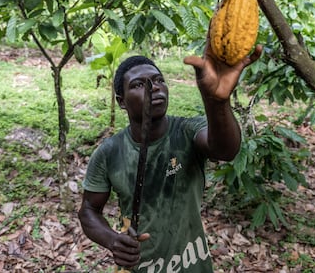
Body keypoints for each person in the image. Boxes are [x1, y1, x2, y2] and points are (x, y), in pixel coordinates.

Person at [78, 35, 262, 272]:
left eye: (158, 80)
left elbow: (225, 150)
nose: (153, 87)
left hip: (192, 265)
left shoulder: (187, 131)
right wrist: (113, 240)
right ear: (121, 102)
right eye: (138, 85)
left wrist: (217, 101)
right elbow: (89, 211)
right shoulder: (109, 153)